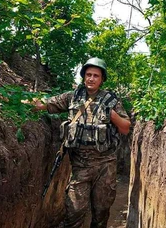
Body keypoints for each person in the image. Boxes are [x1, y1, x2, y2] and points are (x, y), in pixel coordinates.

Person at [32, 57, 131, 228]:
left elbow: (125, 127)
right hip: (79, 165)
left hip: (105, 164)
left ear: (102, 79)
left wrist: (111, 114)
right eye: (88, 74)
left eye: (96, 76)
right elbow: (46, 105)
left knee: (101, 212)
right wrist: (26, 101)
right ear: (84, 76)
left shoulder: (110, 100)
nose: (91, 78)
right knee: (74, 212)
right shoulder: (72, 97)